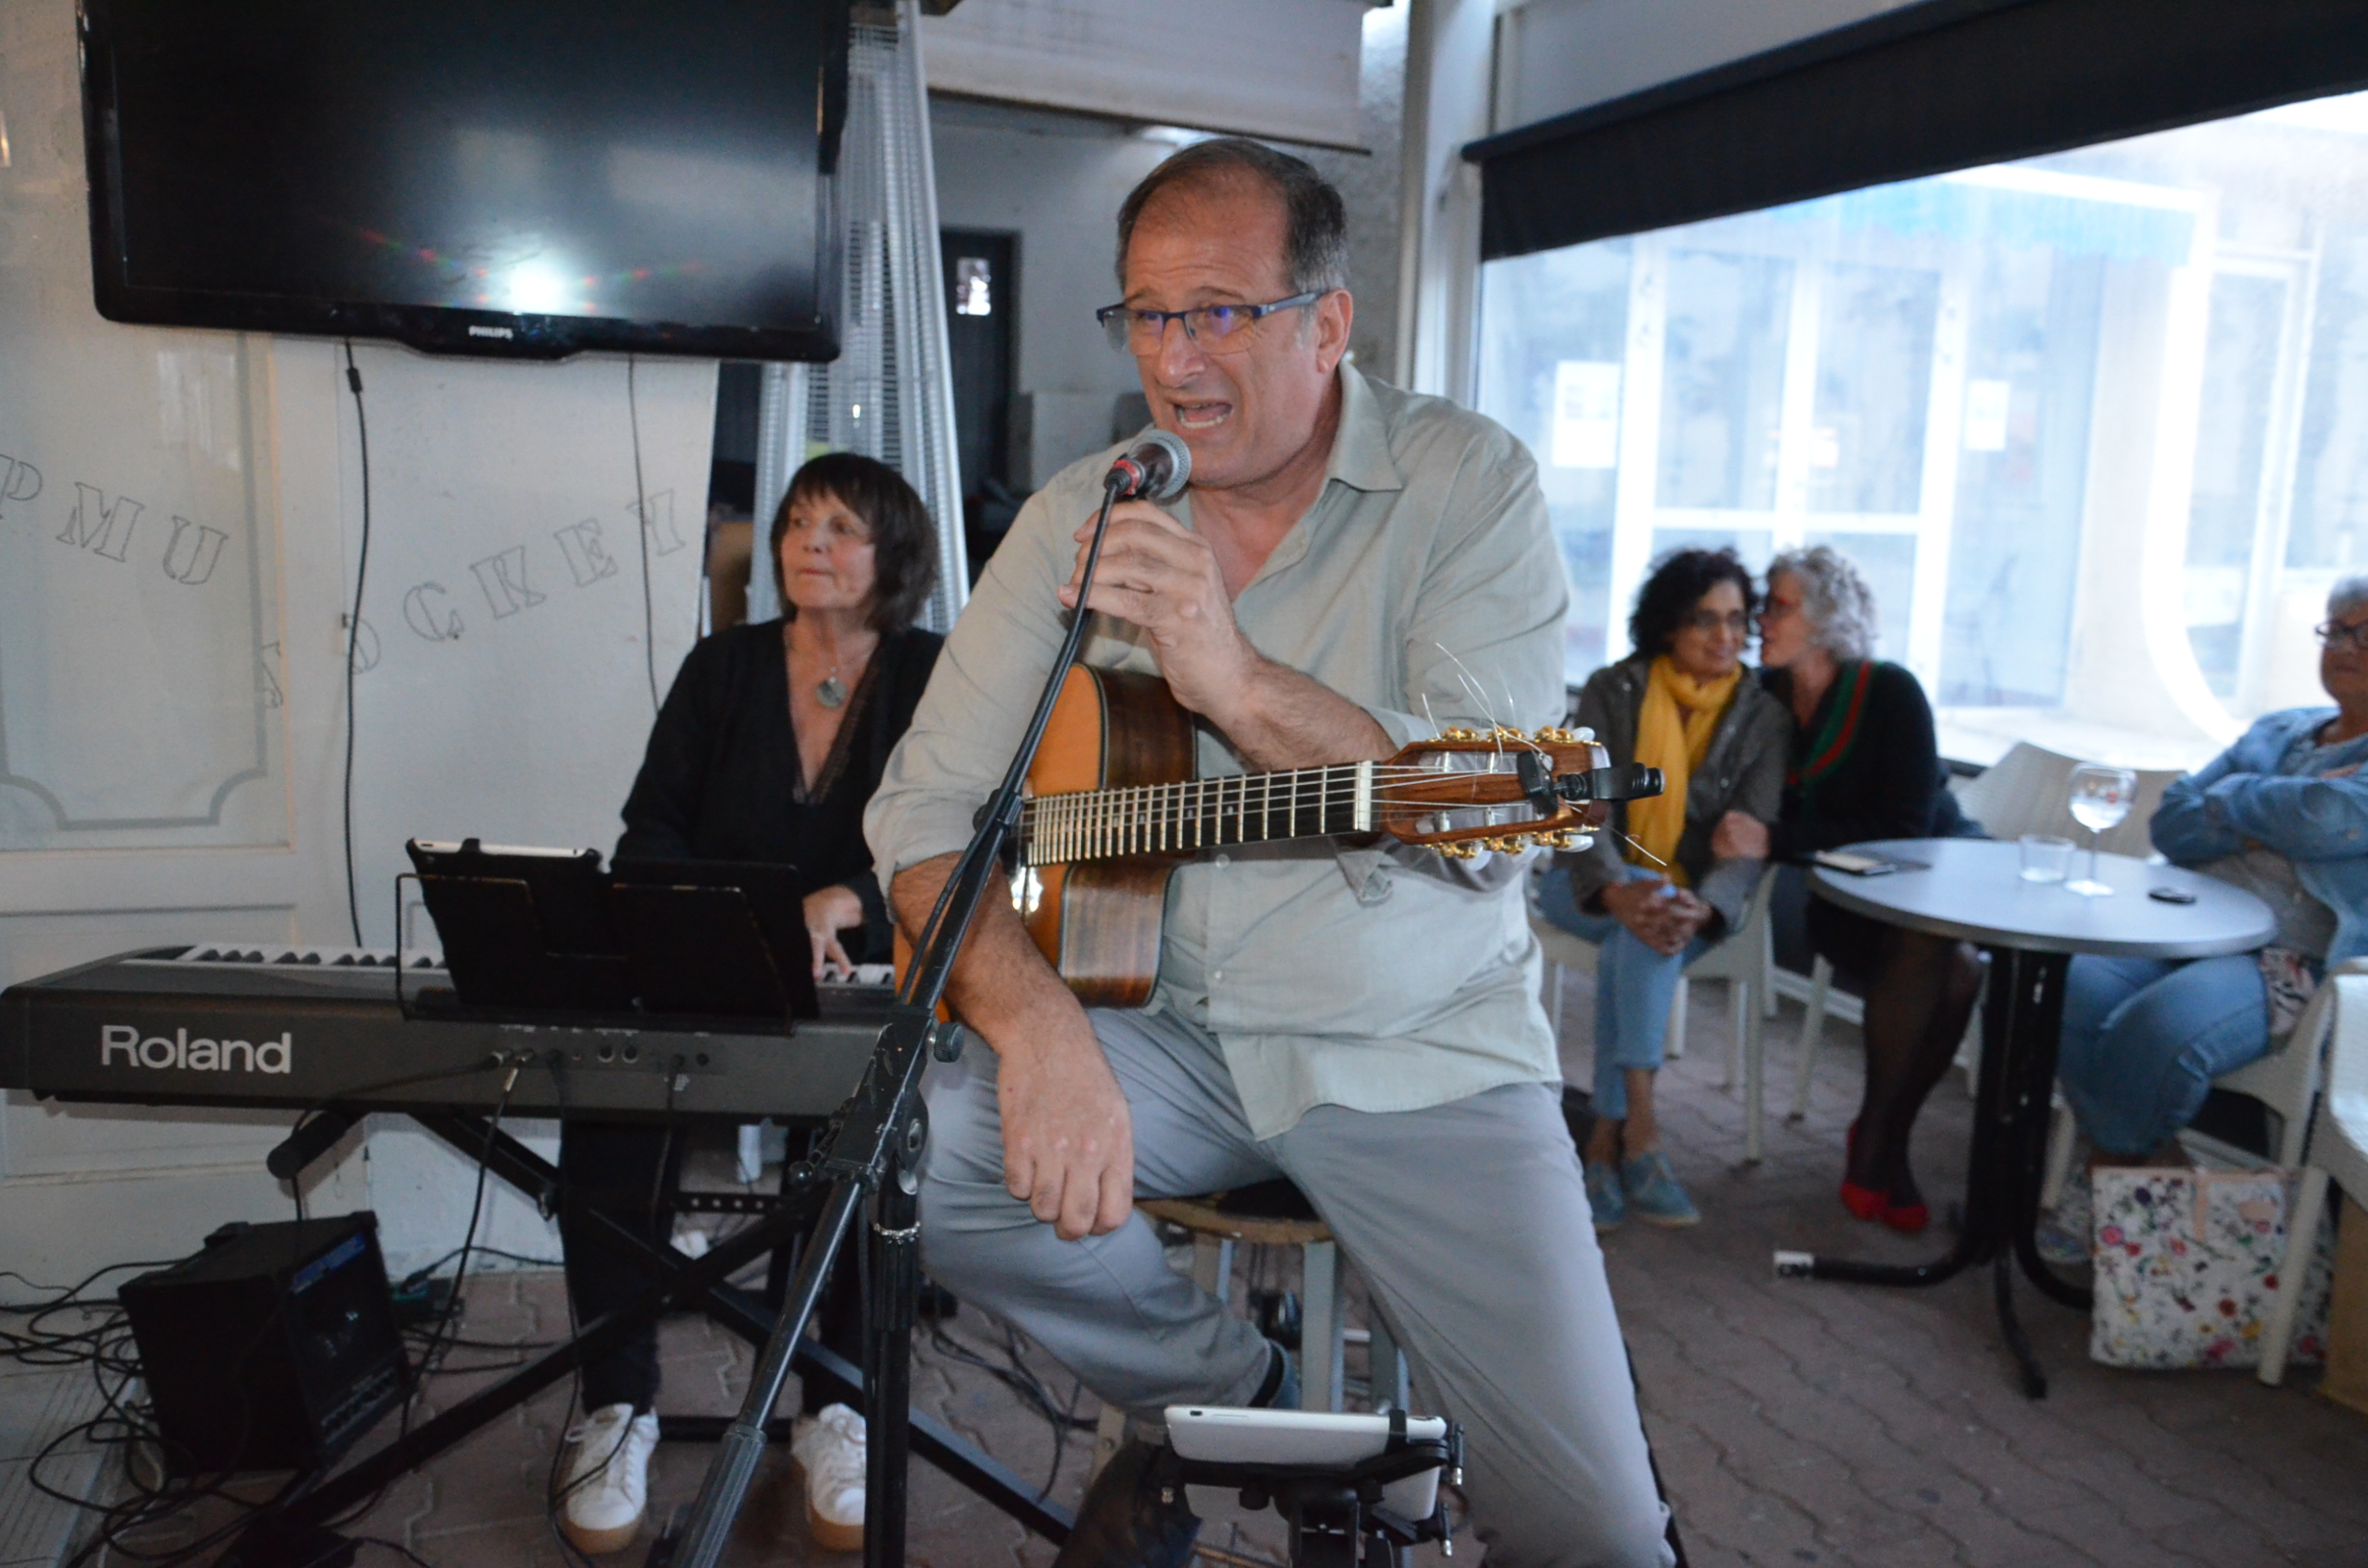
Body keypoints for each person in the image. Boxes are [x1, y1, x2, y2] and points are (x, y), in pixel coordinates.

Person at [866, 139, 1677, 1566]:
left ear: (1328, 322)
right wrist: (1042, 1029)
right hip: (1164, 1026)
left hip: (1419, 1048)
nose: (1176, 360)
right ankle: (1240, 1411)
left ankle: (1307, 1450)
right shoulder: (1085, 510)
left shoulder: (1468, 487)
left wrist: (1231, 681)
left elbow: (1492, 823)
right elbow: (925, 821)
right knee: (924, 1149)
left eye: (1221, 311)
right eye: (1147, 316)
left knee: (1598, 1533)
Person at [555, 452, 942, 1557]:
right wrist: (713, 907)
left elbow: (964, 832)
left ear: (893, 555)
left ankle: (834, 1405)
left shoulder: (930, 674)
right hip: (707, 964)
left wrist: (856, 900)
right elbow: (650, 828)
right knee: (611, 1098)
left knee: (867, 1139)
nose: (809, 543)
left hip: (859, 983)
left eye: (841, 527)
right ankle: (616, 1404)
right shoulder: (720, 667)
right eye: (796, 523)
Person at [2056, 575, 2368, 1175]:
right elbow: (2172, 822)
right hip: (2189, 925)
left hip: (2288, 960)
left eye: (2366, 633)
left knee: (2162, 1026)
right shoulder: (2281, 729)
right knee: (2067, 982)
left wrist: (2233, 798)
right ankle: (2149, 1178)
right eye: (2336, 630)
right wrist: (2277, 807)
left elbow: (2330, 821)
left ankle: (2115, 1175)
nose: (2344, 648)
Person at [1714, 545, 1981, 1234]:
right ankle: (1882, 1143)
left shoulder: (1890, 692)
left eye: (1778, 605)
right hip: (1840, 898)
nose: (1760, 620)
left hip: (1929, 873)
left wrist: (1777, 840)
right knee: (1946, 968)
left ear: (1826, 618)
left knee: (1959, 967)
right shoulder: (1760, 695)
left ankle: (1882, 1137)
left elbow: (1902, 828)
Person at [1535, 549, 1788, 1232]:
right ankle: (1642, 1134)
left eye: (1737, 620)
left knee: (1641, 933)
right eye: (1704, 619)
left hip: (1690, 908)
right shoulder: (1613, 690)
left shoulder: (1762, 717)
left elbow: (1748, 836)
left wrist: (1706, 906)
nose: (1724, 636)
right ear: (1668, 625)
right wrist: (1615, 889)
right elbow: (1579, 812)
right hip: (1583, 887)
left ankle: (1605, 1141)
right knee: (1643, 906)